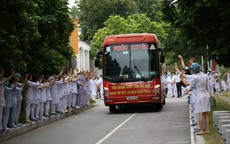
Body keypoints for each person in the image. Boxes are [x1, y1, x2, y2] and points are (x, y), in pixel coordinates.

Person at [182, 63, 211, 135]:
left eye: (191, 69)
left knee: (200, 113)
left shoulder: (195, 78)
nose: (191, 71)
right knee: (206, 113)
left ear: (194, 70)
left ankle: (201, 130)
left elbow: (189, 85)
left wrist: (182, 77)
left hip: (199, 96)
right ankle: (207, 129)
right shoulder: (205, 75)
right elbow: (207, 86)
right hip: (206, 94)